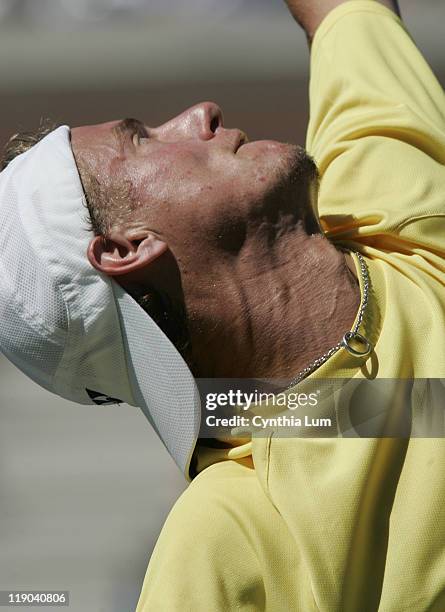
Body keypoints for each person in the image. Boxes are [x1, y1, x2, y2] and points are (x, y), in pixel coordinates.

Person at [1, 0, 445, 609]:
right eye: (144, 141)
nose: (200, 113)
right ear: (127, 248)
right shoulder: (225, 534)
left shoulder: (387, 203)